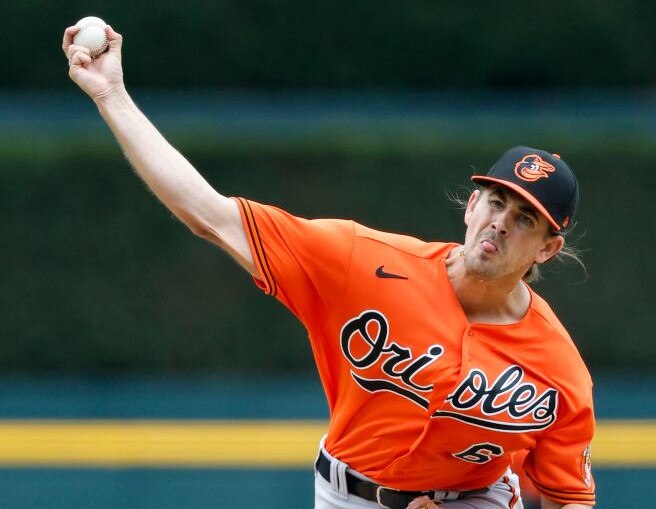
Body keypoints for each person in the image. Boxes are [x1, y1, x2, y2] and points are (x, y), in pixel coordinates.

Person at [62, 24, 595, 509]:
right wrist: (112, 96)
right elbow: (210, 214)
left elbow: (567, 496)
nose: (502, 223)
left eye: (526, 219)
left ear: (547, 249)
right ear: (471, 205)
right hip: (350, 495)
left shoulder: (558, 368)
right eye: (496, 202)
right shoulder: (362, 261)